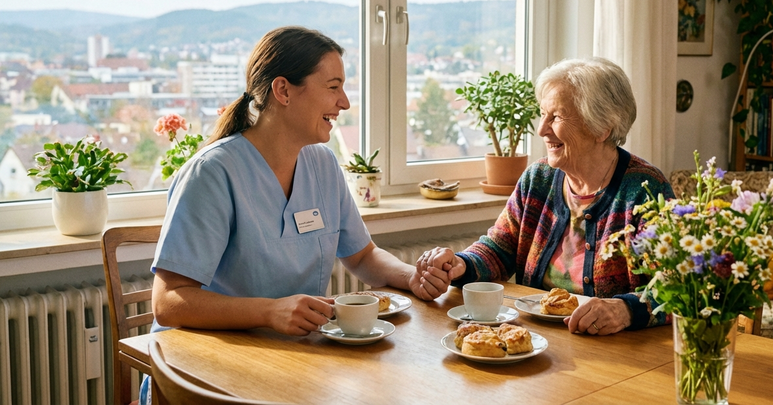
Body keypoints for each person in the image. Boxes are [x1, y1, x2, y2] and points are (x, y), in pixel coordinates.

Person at [143, 26, 438, 403]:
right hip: (203, 373)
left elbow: (363, 256)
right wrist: (269, 312)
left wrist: (412, 277)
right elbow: (168, 303)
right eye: (333, 87)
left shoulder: (323, 164)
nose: (345, 102)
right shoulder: (213, 174)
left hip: (294, 360)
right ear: (282, 91)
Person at [416, 57, 674, 336]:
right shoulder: (539, 178)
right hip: (535, 340)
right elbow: (500, 248)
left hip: (612, 349)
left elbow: (678, 288)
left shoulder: (646, 189)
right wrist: (460, 264)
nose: (541, 129)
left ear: (602, 128)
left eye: (557, 117)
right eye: (543, 114)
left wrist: (624, 310)